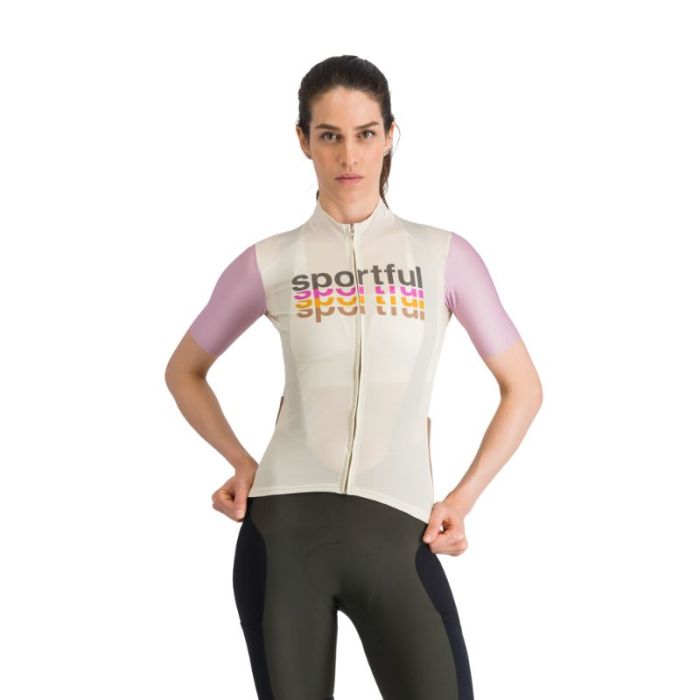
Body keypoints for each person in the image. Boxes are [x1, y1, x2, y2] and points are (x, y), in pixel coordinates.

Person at [165, 55, 542, 700]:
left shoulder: (444, 257)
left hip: (396, 533)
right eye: (330, 135)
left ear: (390, 135)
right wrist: (240, 460)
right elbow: (184, 371)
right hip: (281, 534)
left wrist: (461, 499)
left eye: (366, 133)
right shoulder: (270, 261)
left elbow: (524, 388)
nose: (349, 155)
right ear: (303, 140)